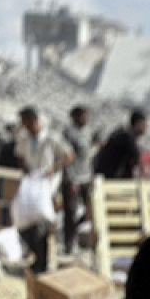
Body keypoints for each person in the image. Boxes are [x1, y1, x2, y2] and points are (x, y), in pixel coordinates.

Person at [14, 107, 72, 274]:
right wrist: (27, 170)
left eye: (27, 122)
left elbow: (69, 156)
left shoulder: (51, 138)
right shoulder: (24, 138)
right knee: (25, 221)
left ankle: (43, 262)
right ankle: (37, 258)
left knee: (43, 224)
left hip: (48, 186)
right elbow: (19, 155)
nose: (26, 126)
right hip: (32, 184)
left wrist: (54, 168)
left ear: (34, 120)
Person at [61, 106, 93, 255]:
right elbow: (66, 158)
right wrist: (71, 179)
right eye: (83, 116)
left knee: (90, 209)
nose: (85, 119)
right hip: (73, 179)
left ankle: (81, 236)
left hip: (86, 177)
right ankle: (69, 244)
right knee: (71, 212)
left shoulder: (87, 132)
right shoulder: (69, 133)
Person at [92, 109, 148, 180]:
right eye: (144, 124)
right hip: (108, 176)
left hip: (105, 174)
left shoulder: (123, 132)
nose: (146, 127)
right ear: (137, 124)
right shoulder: (126, 136)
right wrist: (145, 174)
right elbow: (139, 159)